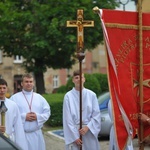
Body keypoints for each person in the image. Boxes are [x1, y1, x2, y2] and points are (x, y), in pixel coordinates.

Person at [10, 73, 51, 150]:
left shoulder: (40, 98)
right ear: (22, 83)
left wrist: (37, 117)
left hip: (37, 135)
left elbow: (47, 112)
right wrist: (24, 117)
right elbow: (10, 115)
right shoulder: (14, 98)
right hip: (21, 135)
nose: (29, 84)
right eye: (26, 81)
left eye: (30, 81)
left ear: (33, 83)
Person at [63, 70, 101, 150]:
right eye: (76, 78)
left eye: (81, 77)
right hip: (74, 132)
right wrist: (74, 137)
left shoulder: (92, 95)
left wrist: (87, 127)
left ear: (84, 79)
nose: (79, 79)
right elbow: (67, 118)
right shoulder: (68, 96)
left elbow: (96, 115)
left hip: (89, 131)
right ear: (73, 80)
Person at [0, 78, 28, 150]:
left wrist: (21, 145)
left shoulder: (13, 105)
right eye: (0, 88)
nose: (2, 90)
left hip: (9, 140)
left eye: (4, 88)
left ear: (7, 89)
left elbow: (18, 126)